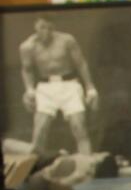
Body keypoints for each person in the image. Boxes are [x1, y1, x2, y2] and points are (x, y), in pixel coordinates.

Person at [20, 18, 99, 156]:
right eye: (41, 27)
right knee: (40, 129)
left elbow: (80, 63)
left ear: (53, 27)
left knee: (78, 126)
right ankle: (33, 166)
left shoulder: (66, 40)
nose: (45, 31)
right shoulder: (27, 47)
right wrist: (29, 89)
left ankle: (87, 163)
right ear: (35, 28)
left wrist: (90, 87)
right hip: (45, 87)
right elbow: (27, 69)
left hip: (69, 85)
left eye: (48, 27)